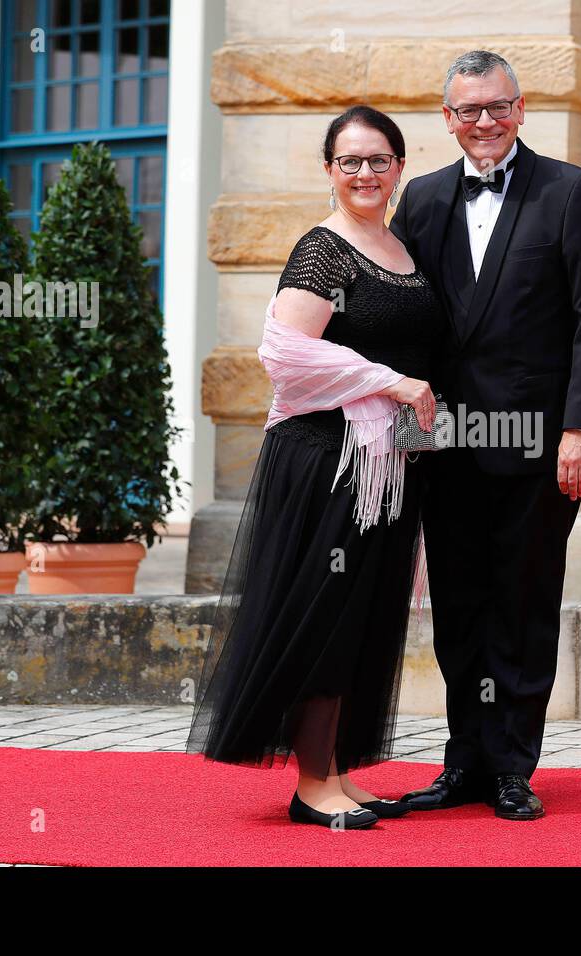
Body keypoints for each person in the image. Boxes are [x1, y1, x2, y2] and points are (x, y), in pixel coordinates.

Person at [185, 105, 444, 830]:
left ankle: (334, 771)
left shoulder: (401, 246)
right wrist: (391, 383)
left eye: (379, 159)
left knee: (364, 616)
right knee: (326, 617)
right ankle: (310, 786)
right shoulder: (324, 251)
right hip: (327, 461)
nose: (365, 173)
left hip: (385, 463)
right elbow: (284, 353)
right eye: (350, 161)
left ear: (399, 166)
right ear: (329, 170)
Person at [389, 50, 581, 821]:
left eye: (496, 108)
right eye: (467, 111)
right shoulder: (419, 199)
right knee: (457, 606)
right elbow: (406, 323)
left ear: (521, 110)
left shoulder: (571, 192)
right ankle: (465, 762)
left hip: (540, 442)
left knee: (521, 604)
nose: (483, 123)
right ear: (448, 118)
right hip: (445, 440)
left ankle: (514, 769)